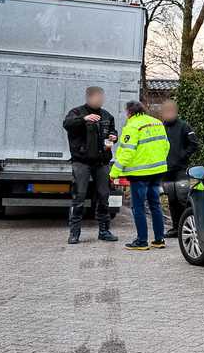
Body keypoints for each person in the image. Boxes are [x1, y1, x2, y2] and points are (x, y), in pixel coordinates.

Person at [110, 100, 171, 251]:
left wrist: (114, 173)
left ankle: (142, 241)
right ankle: (159, 239)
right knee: (155, 204)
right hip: (157, 171)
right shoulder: (157, 123)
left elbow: (126, 152)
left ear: (129, 112)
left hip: (139, 173)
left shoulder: (132, 126)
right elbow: (166, 145)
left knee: (138, 207)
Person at [63, 86, 118, 245]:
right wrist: (84, 119)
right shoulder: (77, 112)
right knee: (79, 197)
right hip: (82, 161)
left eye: (102, 97)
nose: (100, 100)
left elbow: (113, 132)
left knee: (103, 196)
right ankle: (74, 233)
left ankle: (104, 230)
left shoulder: (107, 115)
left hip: (102, 162)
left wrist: (114, 136)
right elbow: (67, 124)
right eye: (97, 97)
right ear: (89, 97)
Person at [158, 99, 199, 238]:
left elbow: (194, 144)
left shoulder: (184, 126)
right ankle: (176, 228)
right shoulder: (160, 127)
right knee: (171, 200)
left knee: (182, 199)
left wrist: (182, 156)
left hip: (180, 169)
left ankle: (185, 227)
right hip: (166, 170)